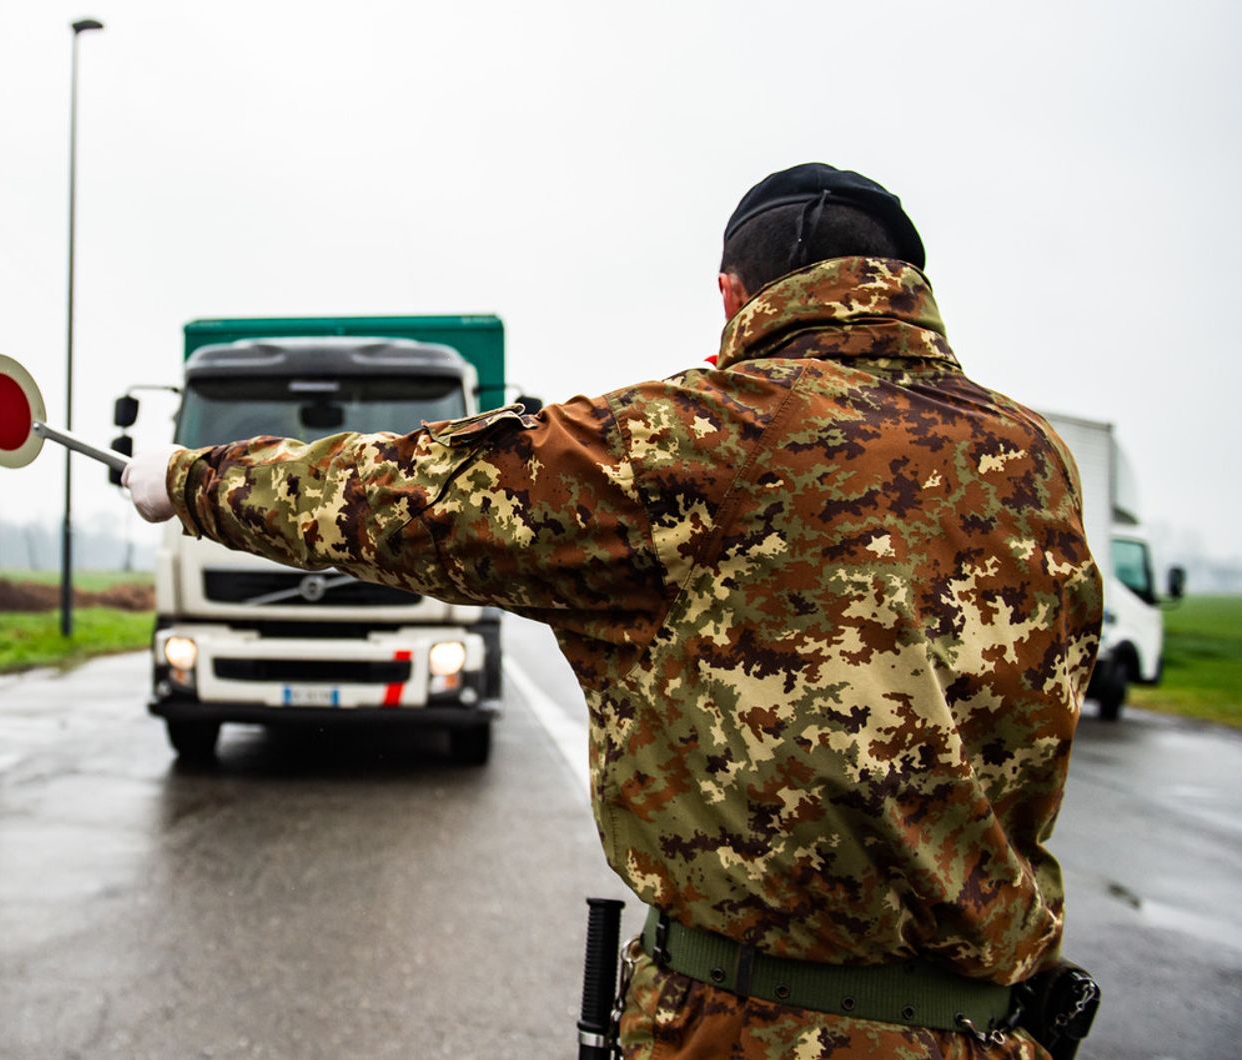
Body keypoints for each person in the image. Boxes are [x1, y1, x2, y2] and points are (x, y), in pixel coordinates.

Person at [122, 162, 1103, 1058]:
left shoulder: (708, 437)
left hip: (756, 1029)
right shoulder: (1039, 459)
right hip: (993, 1030)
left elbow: (416, 494)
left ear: (732, 292)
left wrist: (188, 480)